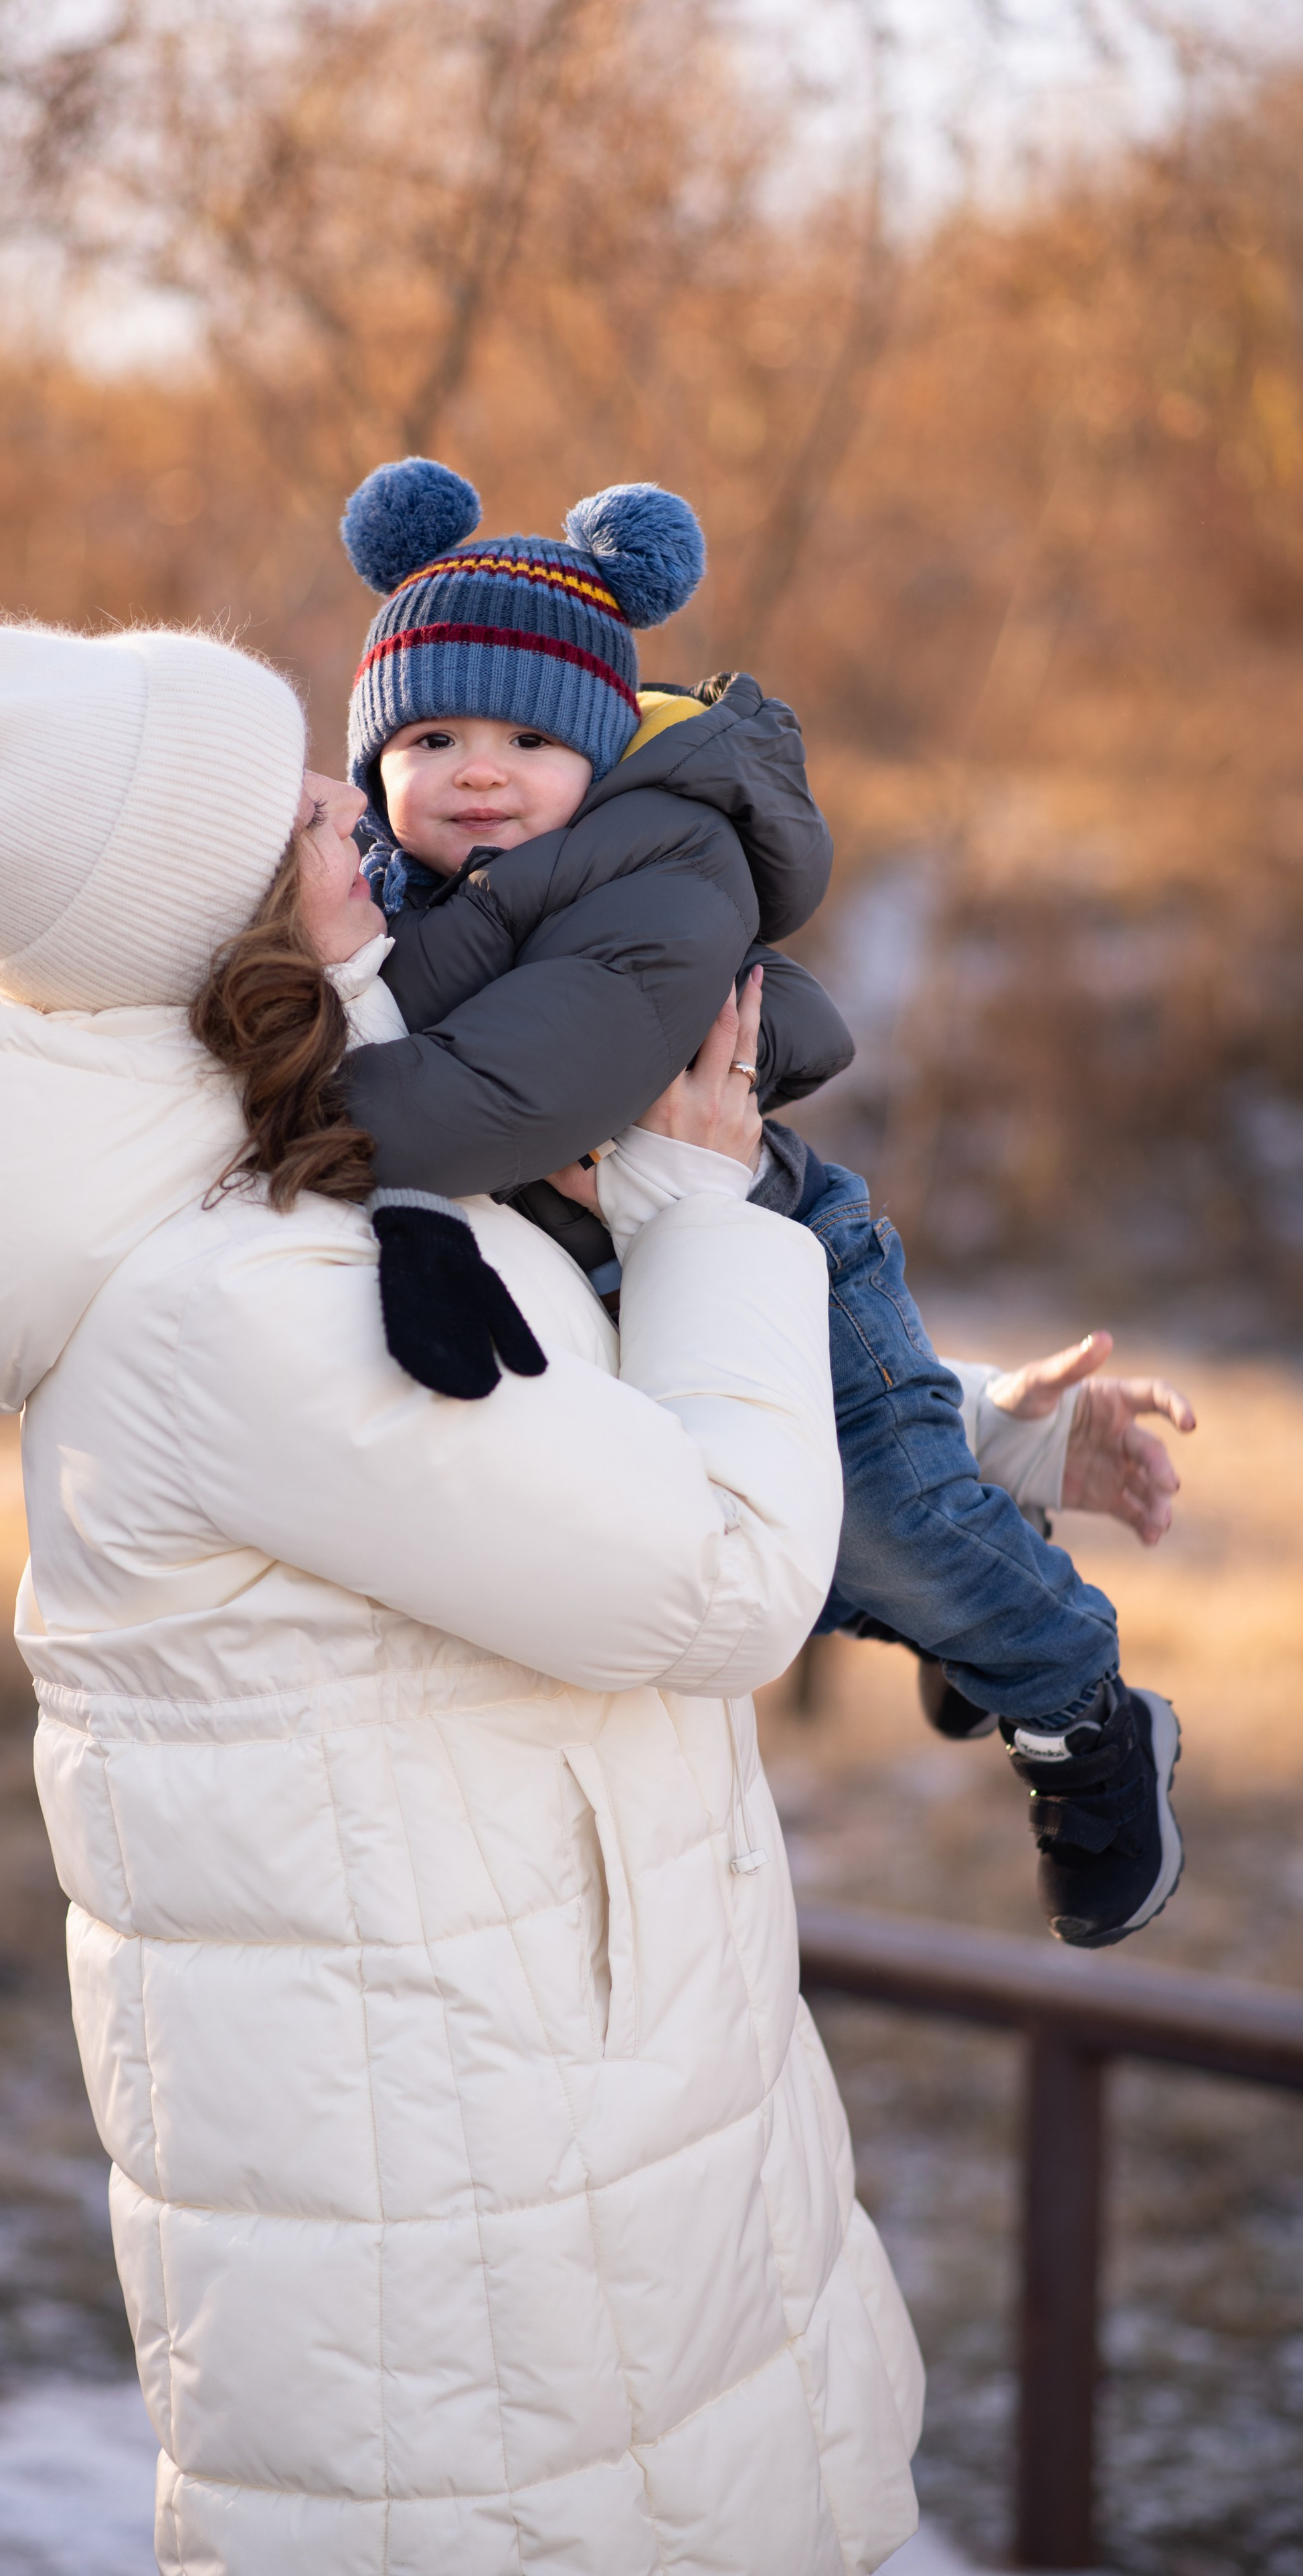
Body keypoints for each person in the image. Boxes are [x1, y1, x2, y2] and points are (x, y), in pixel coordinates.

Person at [0, 617, 926, 2575]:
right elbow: (724, 1579)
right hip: (482, 2273)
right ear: (209, 909)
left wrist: (982, 1442)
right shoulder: (246, 1296)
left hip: (556, 2157)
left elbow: (571, 1419)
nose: (355, 791)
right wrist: (701, 1207)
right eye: (296, 799)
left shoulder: (312, 1160)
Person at [329, 455, 1193, 1951]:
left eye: (529, 735)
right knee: (819, 1541)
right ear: (370, 761)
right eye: (430, 733)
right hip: (642, 1270)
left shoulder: (652, 877)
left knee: (885, 1529)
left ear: (599, 756)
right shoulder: (376, 895)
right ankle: (972, 1604)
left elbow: (510, 1104)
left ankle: (1080, 1707)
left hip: (780, 1244)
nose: (477, 766)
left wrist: (306, 1104)